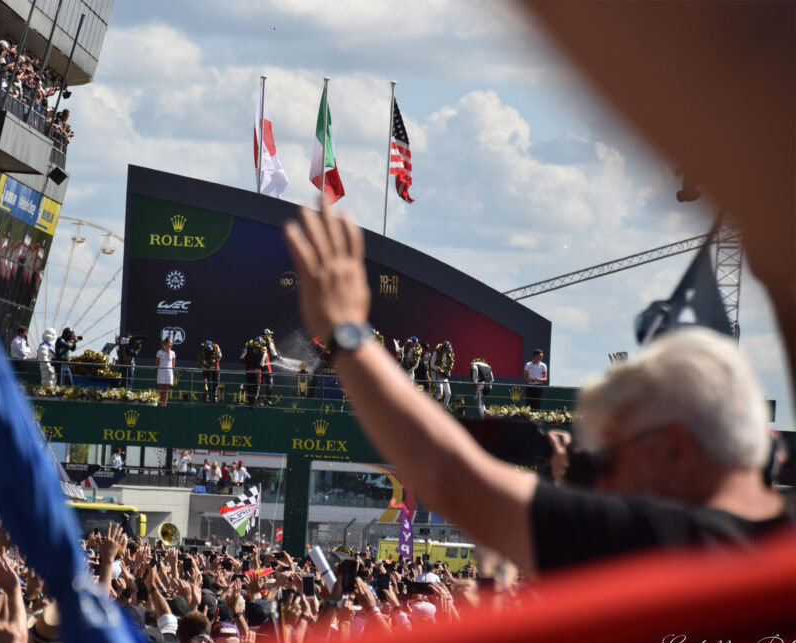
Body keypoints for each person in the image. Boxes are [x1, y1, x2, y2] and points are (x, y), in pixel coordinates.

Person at [281, 196, 793, 576]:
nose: (605, 483)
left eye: (611, 458)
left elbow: (452, 478)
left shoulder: (668, 544)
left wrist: (348, 332)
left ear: (674, 448)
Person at [240, 338, 267, 409]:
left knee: (249, 388)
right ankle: (253, 405)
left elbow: (242, 358)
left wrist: (248, 363)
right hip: (257, 372)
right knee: (256, 388)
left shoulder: (248, 348)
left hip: (249, 371)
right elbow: (262, 364)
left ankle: (250, 404)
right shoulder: (263, 351)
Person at [258, 329, 280, 406]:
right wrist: (279, 358)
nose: (271, 335)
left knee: (260, 383)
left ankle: (258, 400)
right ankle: (268, 400)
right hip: (266, 364)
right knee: (270, 381)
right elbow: (274, 353)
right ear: (266, 334)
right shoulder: (269, 341)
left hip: (258, 366)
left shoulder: (257, 340)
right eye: (270, 334)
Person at [431, 341, 454, 408]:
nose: (448, 351)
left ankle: (444, 409)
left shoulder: (449, 355)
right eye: (447, 349)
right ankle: (434, 407)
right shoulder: (436, 353)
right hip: (436, 374)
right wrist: (438, 369)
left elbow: (449, 365)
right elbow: (432, 365)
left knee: (448, 393)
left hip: (444, 376)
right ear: (444, 348)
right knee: (440, 392)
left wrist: (448, 371)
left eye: (449, 349)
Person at [156, 337, 176, 407]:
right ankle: (160, 404)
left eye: (172, 343)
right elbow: (157, 364)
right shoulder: (159, 352)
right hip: (161, 372)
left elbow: (173, 365)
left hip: (169, 373)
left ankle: (165, 405)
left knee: (166, 389)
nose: (171, 344)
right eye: (170, 343)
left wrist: (170, 370)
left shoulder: (173, 353)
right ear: (165, 343)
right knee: (161, 389)